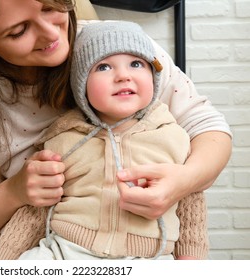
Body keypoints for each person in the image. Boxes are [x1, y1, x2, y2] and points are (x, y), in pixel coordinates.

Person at [0, 0, 232, 260]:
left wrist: (183, 181)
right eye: (19, 31)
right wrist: (15, 192)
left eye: (51, 6)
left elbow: (208, 128)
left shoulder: (117, 47)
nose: (50, 33)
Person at [19, 20, 207, 260]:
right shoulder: (63, 141)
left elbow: (192, 202)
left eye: (136, 63)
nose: (123, 76)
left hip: (150, 256)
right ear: (81, 85)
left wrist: (192, 261)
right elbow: (36, 209)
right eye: (104, 67)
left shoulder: (174, 137)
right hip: (67, 249)